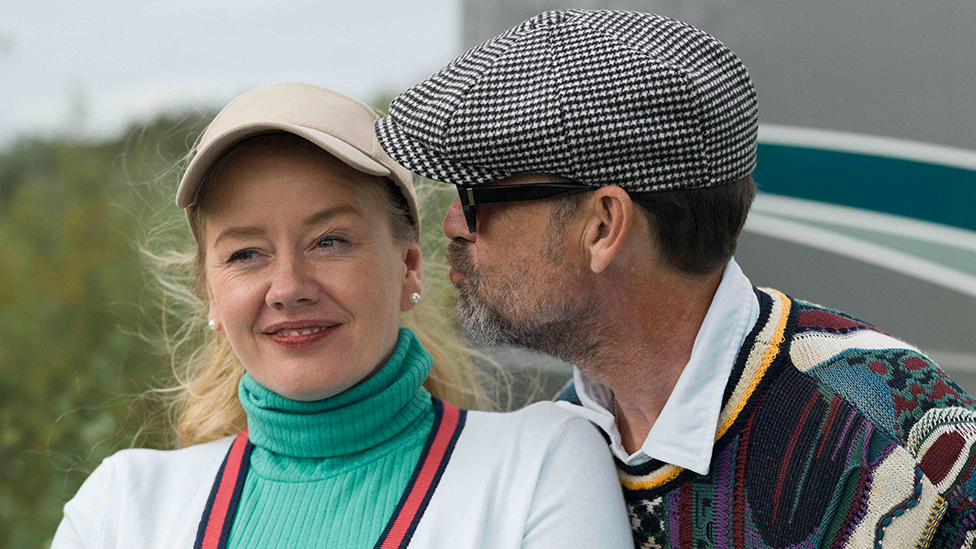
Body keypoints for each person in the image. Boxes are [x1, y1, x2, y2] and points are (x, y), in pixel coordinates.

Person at [374, 9, 976, 548]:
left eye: (480, 195)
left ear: (603, 225)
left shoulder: (887, 429)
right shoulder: (560, 441)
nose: (453, 223)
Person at [51, 83, 634, 548]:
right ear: (211, 292)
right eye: (245, 253)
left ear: (408, 266)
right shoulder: (120, 510)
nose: (288, 288)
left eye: (329, 241)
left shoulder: (541, 464)